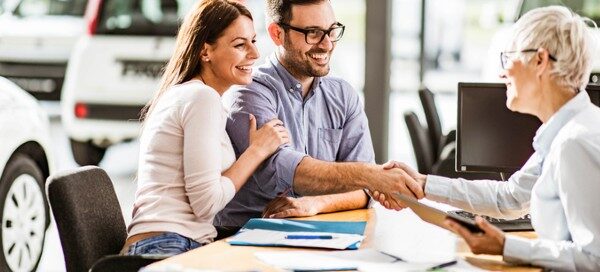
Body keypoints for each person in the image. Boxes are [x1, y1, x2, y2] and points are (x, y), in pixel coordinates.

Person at [375, 6, 600, 271]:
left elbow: (593, 258)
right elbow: (510, 197)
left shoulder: (575, 142)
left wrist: (506, 247)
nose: (502, 73)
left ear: (540, 61)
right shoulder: (566, 130)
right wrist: (423, 184)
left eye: (509, 58)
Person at [214, 0, 422, 234]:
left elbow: (364, 191)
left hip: (320, 231)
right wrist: (371, 175)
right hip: (244, 234)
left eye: (331, 31)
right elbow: (284, 171)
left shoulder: (342, 95)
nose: (327, 44)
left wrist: (314, 204)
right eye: (313, 33)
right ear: (277, 34)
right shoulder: (248, 92)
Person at [122, 0, 290, 256]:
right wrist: (257, 151)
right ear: (205, 52)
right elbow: (207, 203)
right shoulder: (202, 98)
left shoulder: (191, 96)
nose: (254, 54)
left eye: (254, 41)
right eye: (239, 44)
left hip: (173, 243)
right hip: (168, 246)